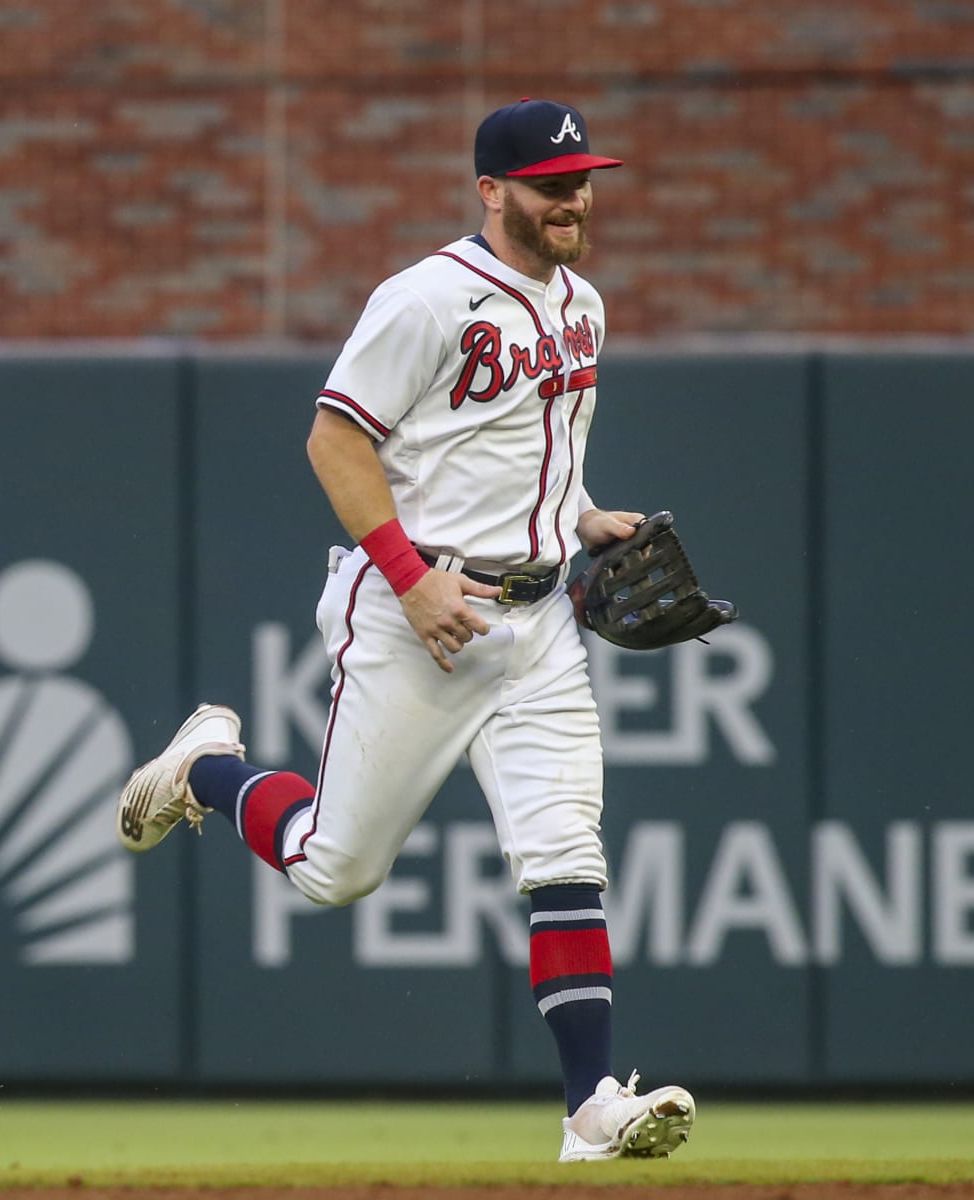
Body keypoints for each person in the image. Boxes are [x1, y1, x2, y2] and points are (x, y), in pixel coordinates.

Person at [115, 98, 695, 1163]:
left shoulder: (584, 305)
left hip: (537, 627)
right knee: (336, 871)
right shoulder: (424, 299)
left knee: (566, 855)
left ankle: (590, 1109)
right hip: (419, 617)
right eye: (549, 181)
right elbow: (335, 443)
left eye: (581, 178)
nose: (573, 196)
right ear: (492, 189)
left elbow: (527, 453)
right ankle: (206, 769)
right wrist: (409, 578)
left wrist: (583, 514)